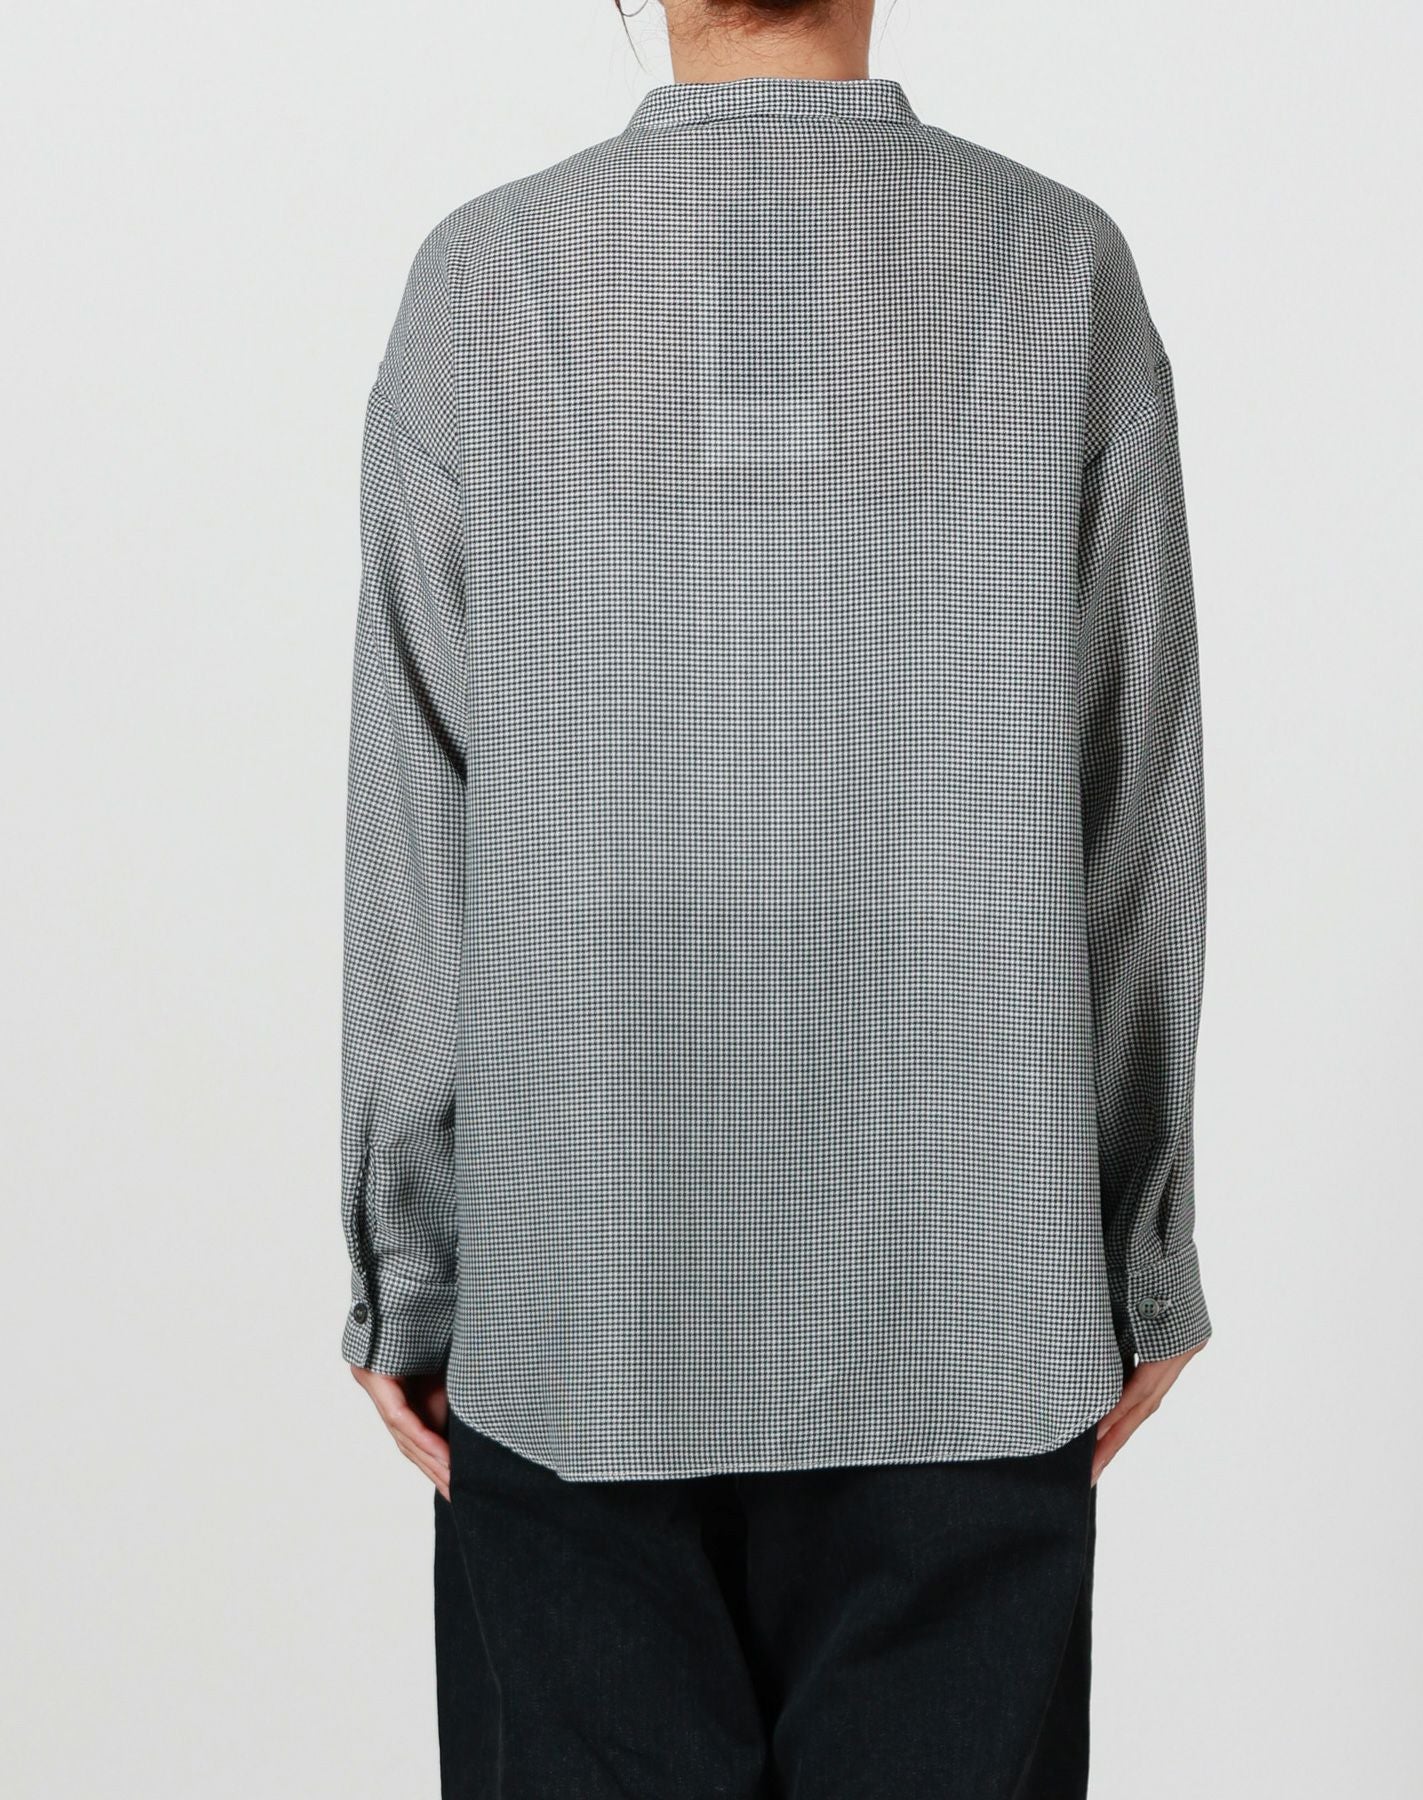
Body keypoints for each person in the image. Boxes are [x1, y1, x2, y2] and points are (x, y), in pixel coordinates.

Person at [339, 0, 1211, 1793]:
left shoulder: (484, 287)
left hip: (581, 1318)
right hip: (972, 1317)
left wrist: (405, 1268)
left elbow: (420, 823)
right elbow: (1131, 816)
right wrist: (1135, 1262)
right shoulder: (1061, 275)